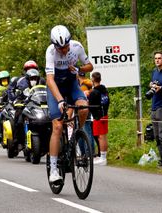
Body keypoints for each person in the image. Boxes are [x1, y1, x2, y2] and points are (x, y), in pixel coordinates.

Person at [46, 25, 93, 183]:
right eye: (61, 48)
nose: (64, 50)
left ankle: (77, 134)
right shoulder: (51, 52)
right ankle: (53, 170)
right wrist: (60, 100)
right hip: (56, 88)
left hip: (72, 84)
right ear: (54, 46)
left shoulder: (76, 46)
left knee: (84, 107)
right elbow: (50, 80)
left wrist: (79, 69)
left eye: (66, 46)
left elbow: (90, 66)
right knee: (58, 126)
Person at [8, 68, 45, 151]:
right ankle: (19, 141)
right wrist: (18, 103)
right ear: (28, 80)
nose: (33, 80)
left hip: (39, 110)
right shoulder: (24, 90)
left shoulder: (43, 89)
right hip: (27, 109)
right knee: (19, 121)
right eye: (31, 79)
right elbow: (18, 99)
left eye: (35, 78)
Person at [88, 72, 110, 165]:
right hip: (104, 114)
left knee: (101, 137)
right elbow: (108, 101)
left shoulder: (94, 92)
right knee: (103, 136)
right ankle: (102, 156)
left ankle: (103, 158)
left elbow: (90, 105)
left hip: (98, 116)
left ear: (93, 79)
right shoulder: (104, 89)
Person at [77, 71, 96, 156]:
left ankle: (88, 153)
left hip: (82, 111)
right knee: (84, 131)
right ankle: (85, 153)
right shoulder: (88, 84)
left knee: (85, 131)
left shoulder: (83, 86)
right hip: (86, 110)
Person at [0, 70, 11, 144]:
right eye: (3, 80)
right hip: (3, 107)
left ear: (8, 79)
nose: (4, 81)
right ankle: (0, 134)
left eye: (6, 79)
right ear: (0, 81)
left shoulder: (12, 87)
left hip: (11, 107)